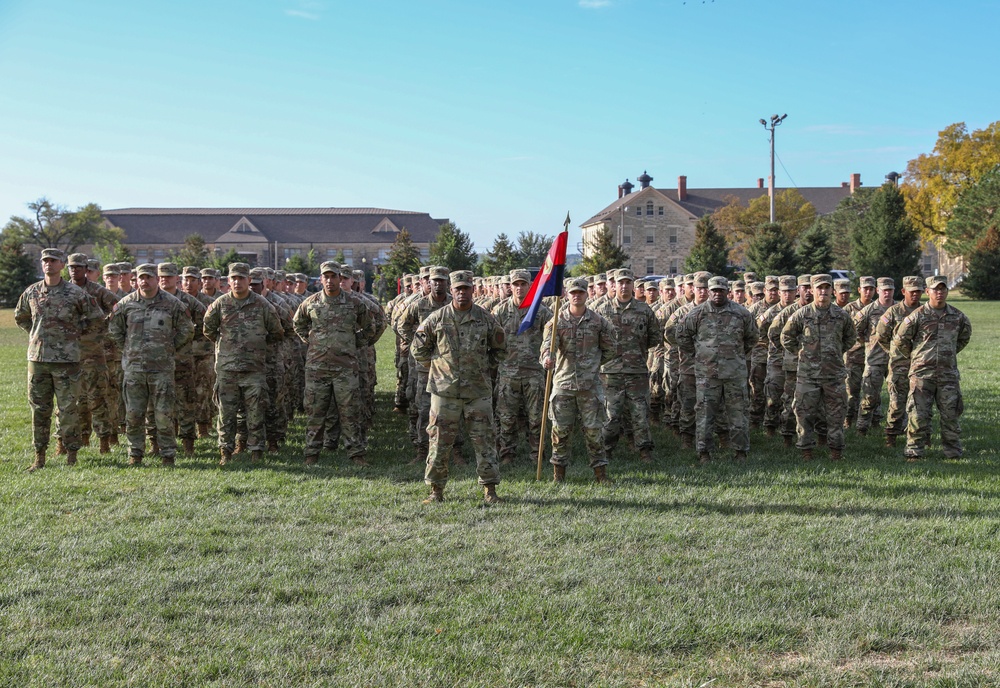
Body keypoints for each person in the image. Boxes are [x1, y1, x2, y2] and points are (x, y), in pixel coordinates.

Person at [413, 270, 506, 504]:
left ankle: (490, 490)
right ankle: (436, 491)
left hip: (477, 392)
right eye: (458, 289)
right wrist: (438, 368)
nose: (462, 292)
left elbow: (501, 349)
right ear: (451, 290)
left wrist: (483, 368)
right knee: (439, 442)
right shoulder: (437, 318)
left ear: (473, 290)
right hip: (445, 392)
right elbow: (418, 348)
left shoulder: (486, 318)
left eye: (466, 288)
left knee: (484, 441)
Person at [15, 248, 101, 471]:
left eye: (53, 261)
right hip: (38, 360)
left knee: (68, 409)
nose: (49, 264)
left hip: (67, 362)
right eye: (45, 261)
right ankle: (39, 456)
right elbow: (21, 316)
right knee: (39, 409)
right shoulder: (32, 292)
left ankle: (72, 454)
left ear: (62, 265)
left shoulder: (75, 293)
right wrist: (37, 335)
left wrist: (74, 334)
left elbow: (96, 318)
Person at [107, 263, 194, 466]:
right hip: (134, 370)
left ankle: (168, 454)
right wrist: (129, 350)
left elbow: (187, 330)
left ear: (156, 279)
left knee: (164, 414)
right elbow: (114, 331)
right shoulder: (126, 304)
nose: (144, 281)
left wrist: (169, 348)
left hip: (161, 369)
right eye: (141, 277)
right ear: (136, 280)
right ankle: (135, 454)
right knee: (134, 414)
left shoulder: (172, 303)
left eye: (149, 277)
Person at [293, 261, 374, 466]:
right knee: (315, 411)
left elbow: (370, 326)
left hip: (345, 368)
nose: (329, 280)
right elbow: (298, 323)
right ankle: (312, 453)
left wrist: (356, 342)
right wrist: (311, 341)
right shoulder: (311, 302)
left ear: (340, 278)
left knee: (350, 412)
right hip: (317, 368)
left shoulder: (354, 303)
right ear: (320, 279)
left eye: (333, 276)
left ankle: (356, 454)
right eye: (325, 277)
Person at [203, 263, 284, 465]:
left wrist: (255, 347)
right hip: (227, 370)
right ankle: (226, 452)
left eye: (241, 278)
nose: (237, 282)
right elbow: (209, 330)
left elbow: (276, 332)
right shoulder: (220, 304)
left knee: (256, 412)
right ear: (228, 281)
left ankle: (256, 451)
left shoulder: (262, 304)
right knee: (226, 415)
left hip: (253, 370)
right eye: (234, 278)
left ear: (249, 280)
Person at [677, 276, 758, 463]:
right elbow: (682, 336)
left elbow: (752, 337)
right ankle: (704, 452)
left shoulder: (741, 313)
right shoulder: (697, 313)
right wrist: (699, 354)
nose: (717, 294)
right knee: (705, 413)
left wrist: (736, 355)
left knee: (738, 412)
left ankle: (740, 452)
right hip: (707, 373)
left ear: (727, 291)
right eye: (714, 290)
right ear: (708, 291)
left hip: (734, 373)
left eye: (721, 290)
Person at [891, 276, 972, 459]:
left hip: (948, 375)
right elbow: (900, 340)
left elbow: (964, 338)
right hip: (922, 375)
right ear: (927, 292)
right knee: (918, 415)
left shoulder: (957, 317)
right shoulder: (917, 315)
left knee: (950, 415)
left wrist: (948, 353)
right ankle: (914, 450)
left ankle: (952, 451)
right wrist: (916, 356)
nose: (939, 293)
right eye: (935, 289)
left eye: (943, 289)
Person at [781, 274, 857, 461]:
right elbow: (786, 336)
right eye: (819, 288)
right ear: (812, 290)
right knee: (804, 414)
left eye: (826, 288)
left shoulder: (841, 315)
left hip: (834, 375)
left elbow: (851, 337)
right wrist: (802, 352)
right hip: (808, 375)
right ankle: (806, 450)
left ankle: (835, 451)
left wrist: (836, 352)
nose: (823, 291)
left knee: (836, 414)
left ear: (832, 290)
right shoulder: (802, 314)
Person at [594, 268, 660, 462]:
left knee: (640, 413)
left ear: (633, 285)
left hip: (636, 371)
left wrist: (635, 352)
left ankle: (644, 450)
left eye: (627, 282)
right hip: (610, 372)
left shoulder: (644, 310)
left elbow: (654, 336)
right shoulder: (601, 310)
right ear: (613, 285)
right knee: (611, 415)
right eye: (620, 282)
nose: (624, 286)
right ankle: (606, 449)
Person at [491, 269, 552, 465]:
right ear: (510, 286)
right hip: (508, 374)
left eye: (523, 284)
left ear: (530, 286)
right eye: (515, 284)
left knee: (537, 418)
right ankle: (507, 454)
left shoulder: (541, 311)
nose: (519, 288)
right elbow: (490, 339)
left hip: (534, 374)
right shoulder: (500, 311)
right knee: (507, 418)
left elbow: (552, 336)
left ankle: (537, 454)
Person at [399, 266, 452, 464]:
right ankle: (422, 450)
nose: (437, 284)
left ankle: (454, 450)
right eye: (434, 281)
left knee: (452, 409)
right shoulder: (419, 305)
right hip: (425, 367)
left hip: (449, 366)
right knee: (424, 408)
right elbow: (401, 325)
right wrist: (416, 343)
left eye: (441, 281)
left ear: (448, 283)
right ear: (428, 283)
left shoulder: (453, 304)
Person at [66, 253, 119, 453]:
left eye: (79, 267)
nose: (75, 270)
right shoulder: (64, 290)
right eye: (71, 267)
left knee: (98, 398)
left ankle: (105, 440)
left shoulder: (97, 291)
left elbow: (118, 308)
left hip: (94, 353)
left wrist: (103, 327)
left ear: (86, 269)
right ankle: (81, 437)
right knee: (73, 400)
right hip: (68, 354)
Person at [875, 276, 924, 447]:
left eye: (919, 291)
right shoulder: (893, 312)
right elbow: (881, 335)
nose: (916, 295)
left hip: (921, 366)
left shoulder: (926, 311)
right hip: (899, 366)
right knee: (897, 403)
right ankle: (891, 436)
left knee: (919, 403)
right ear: (904, 292)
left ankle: (920, 435)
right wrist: (894, 351)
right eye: (912, 292)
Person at [854, 277, 895, 435]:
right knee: (869, 397)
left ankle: (895, 429)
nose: (887, 293)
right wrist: (868, 343)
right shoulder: (869, 310)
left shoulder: (899, 309)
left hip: (896, 361)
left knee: (898, 397)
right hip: (875, 360)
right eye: (884, 290)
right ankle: (861, 428)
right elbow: (855, 330)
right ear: (878, 291)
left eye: (890, 290)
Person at [843, 276, 876, 428]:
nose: (868, 292)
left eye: (871, 289)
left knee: (871, 391)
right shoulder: (848, 309)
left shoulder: (879, 308)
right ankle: (848, 420)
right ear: (859, 290)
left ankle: (874, 421)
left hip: (874, 357)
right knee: (852, 391)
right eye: (865, 289)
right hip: (853, 356)